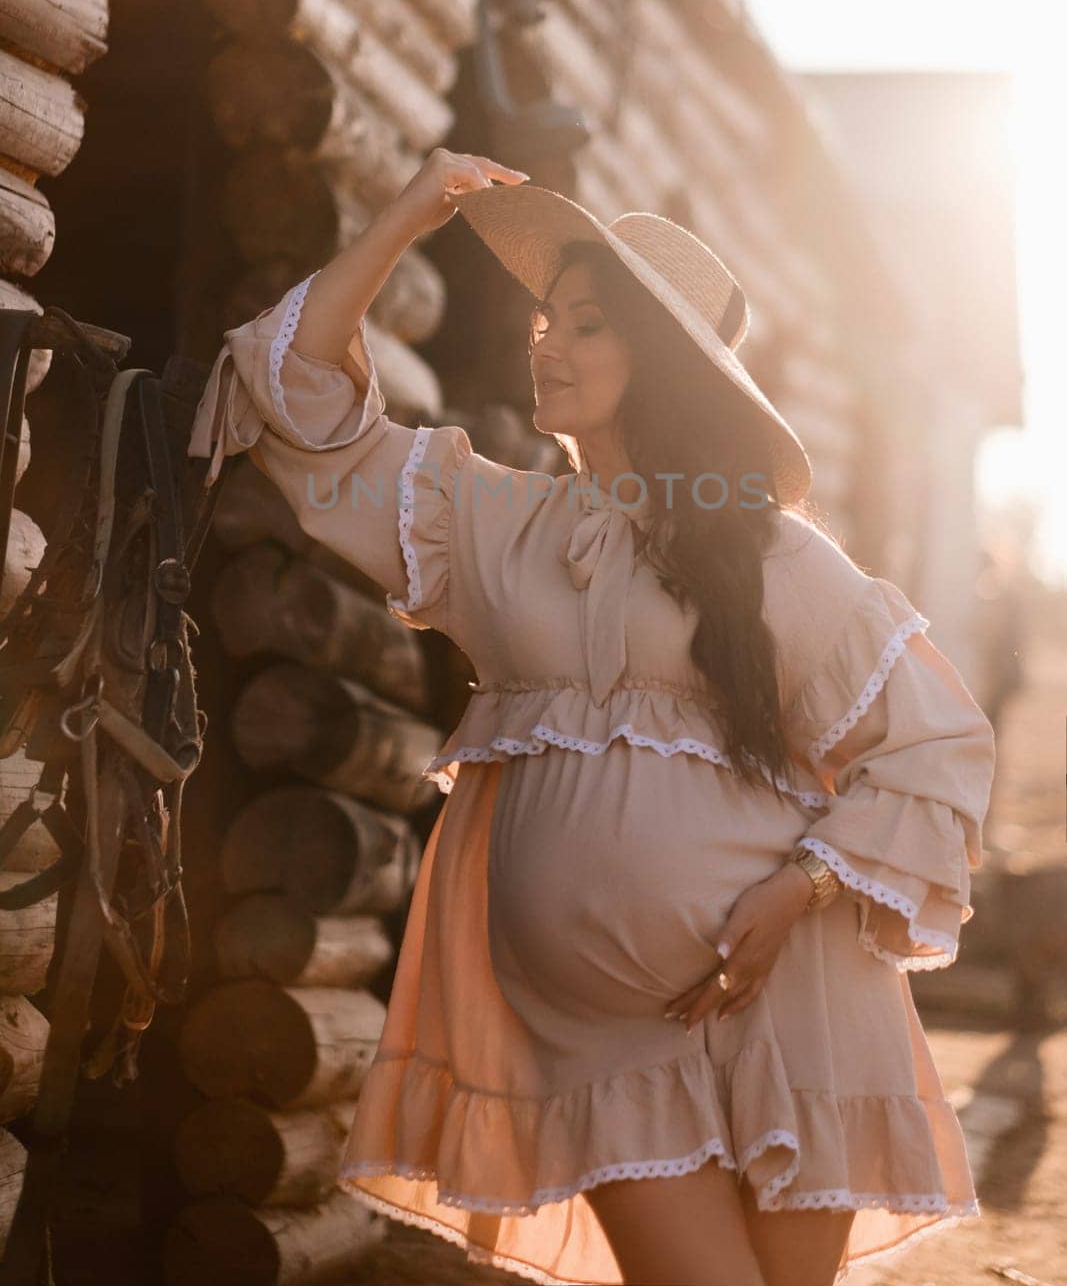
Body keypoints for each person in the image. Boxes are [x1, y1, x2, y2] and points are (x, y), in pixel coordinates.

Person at [188, 148, 997, 1286]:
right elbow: (294, 393)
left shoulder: (765, 556)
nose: (545, 346)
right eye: (542, 321)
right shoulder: (494, 526)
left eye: (586, 327)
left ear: (661, 366)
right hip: (605, 1043)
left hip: (789, 1000)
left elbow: (936, 748)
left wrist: (796, 890)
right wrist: (409, 214)